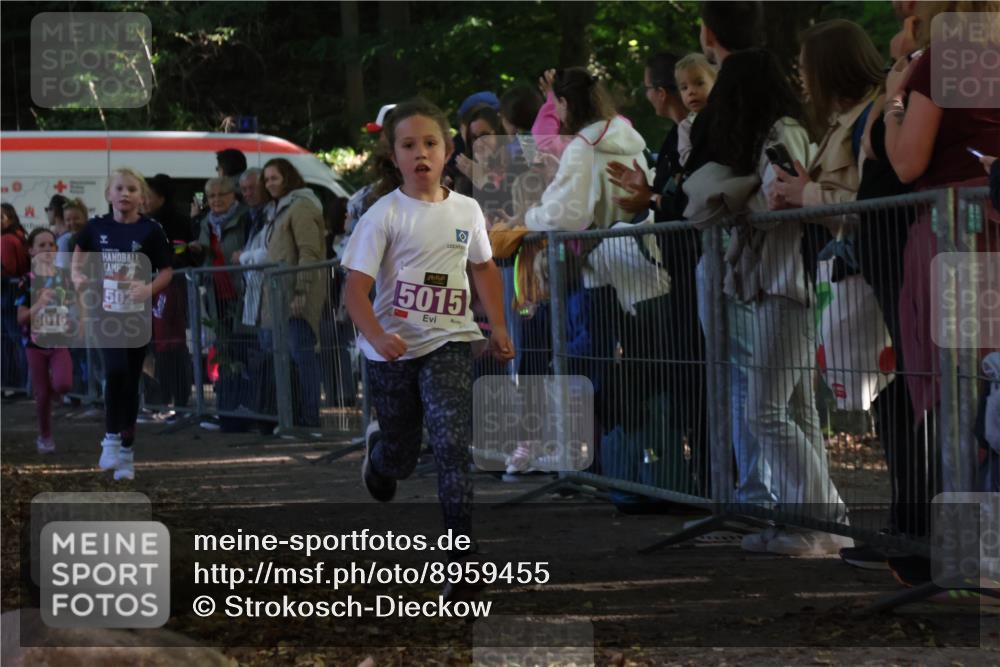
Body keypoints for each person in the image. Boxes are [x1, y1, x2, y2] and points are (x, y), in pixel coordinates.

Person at [342, 99, 514, 591]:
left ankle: (462, 557)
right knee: (402, 451)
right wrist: (377, 335)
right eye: (409, 145)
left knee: (452, 443)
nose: (421, 153)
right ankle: (380, 456)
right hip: (392, 348)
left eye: (430, 143)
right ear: (393, 156)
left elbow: (483, 266)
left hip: (451, 341)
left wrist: (497, 325)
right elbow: (354, 290)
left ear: (448, 150)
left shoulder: (467, 209)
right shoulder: (383, 216)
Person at [879, 1, 1000, 586]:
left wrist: (893, 103)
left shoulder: (950, 55)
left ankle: (971, 557)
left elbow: (905, 163)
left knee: (963, 399)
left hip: (959, 233)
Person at [72, 168, 173, 481]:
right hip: (106, 314)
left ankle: (127, 452)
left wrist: (147, 289)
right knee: (115, 371)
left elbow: (166, 271)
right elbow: (77, 259)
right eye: (119, 188)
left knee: (130, 380)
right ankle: (111, 438)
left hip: (136, 316)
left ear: (141, 197)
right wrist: (78, 278)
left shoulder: (151, 230)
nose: (125, 194)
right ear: (108, 194)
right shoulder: (95, 228)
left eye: (132, 189)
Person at [259, 158, 326, 428]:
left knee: (301, 358)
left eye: (275, 177)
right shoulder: (277, 209)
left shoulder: (301, 206)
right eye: (266, 179)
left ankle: (309, 418)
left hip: (296, 297)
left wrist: (302, 290)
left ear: (288, 177)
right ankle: (292, 417)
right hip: (278, 297)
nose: (270, 183)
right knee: (286, 360)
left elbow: (309, 251)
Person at [190, 176, 253, 430]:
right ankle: (227, 412)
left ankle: (249, 410)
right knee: (224, 353)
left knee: (246, 352)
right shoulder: (206, 223)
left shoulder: (245, 218)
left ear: (233, 196)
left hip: (243, 293)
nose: (215, 200)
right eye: (211, 196)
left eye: (221, 195)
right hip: (217, 296)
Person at [15, 228, 74, 453]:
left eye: (51, 245)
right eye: (41, 245)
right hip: (34, 344)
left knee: (63, 384)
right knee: (41, 396)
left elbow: (72, 305)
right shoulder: (26, 281)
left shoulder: (64, 277)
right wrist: (38, 304)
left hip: (59, 341)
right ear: (31, 251)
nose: (47, 249)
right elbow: (20, 317)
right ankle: (45, 436)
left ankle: (52, 393)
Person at [146, 174, 194, 413]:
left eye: (148, 196)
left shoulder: (177, 222)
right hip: (152, 289)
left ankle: (179, 398)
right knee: (157, 345)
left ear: (162, 198)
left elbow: (179, 252)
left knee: (171, 344)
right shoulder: (144, 221)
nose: (143, 200)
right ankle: (162, 397)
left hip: (171, 288)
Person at [2, 202, 30, 391]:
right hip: (18, 294)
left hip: (7, 296)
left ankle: (17, 383)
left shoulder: (5, 240)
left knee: (13, 340)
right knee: (18, 340)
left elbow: (8, 269)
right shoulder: (20, 236)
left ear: (9, 218)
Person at [673, 53, 717, 168]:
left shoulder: (726, 114)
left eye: (699, 83)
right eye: (684, 88)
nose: (691, 92)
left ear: (716, 83)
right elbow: (686, 160)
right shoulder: (686, 126)